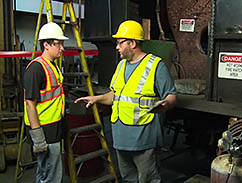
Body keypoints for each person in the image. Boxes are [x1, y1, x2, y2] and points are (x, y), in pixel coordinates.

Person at [74, 20, 177, 183]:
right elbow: (116, 95)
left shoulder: (156, 66)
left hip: (144, 139)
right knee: (128, 179)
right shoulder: (121, 65)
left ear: (133, 43)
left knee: (147, 179)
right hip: (121, 138)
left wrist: (165, 104)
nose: (117, 47)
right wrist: (97, 98)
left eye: (120, 43)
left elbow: (171, 96)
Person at [23, 22, 68, 183]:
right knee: (52, 176)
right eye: (58, 44)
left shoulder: (52, 66)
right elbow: (30, 103)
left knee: (45, 172)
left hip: (54, 127)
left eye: (62, 43)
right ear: (46, 45)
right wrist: (38, 138)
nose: (62, 48)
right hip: (44, 131)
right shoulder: (36, 69)